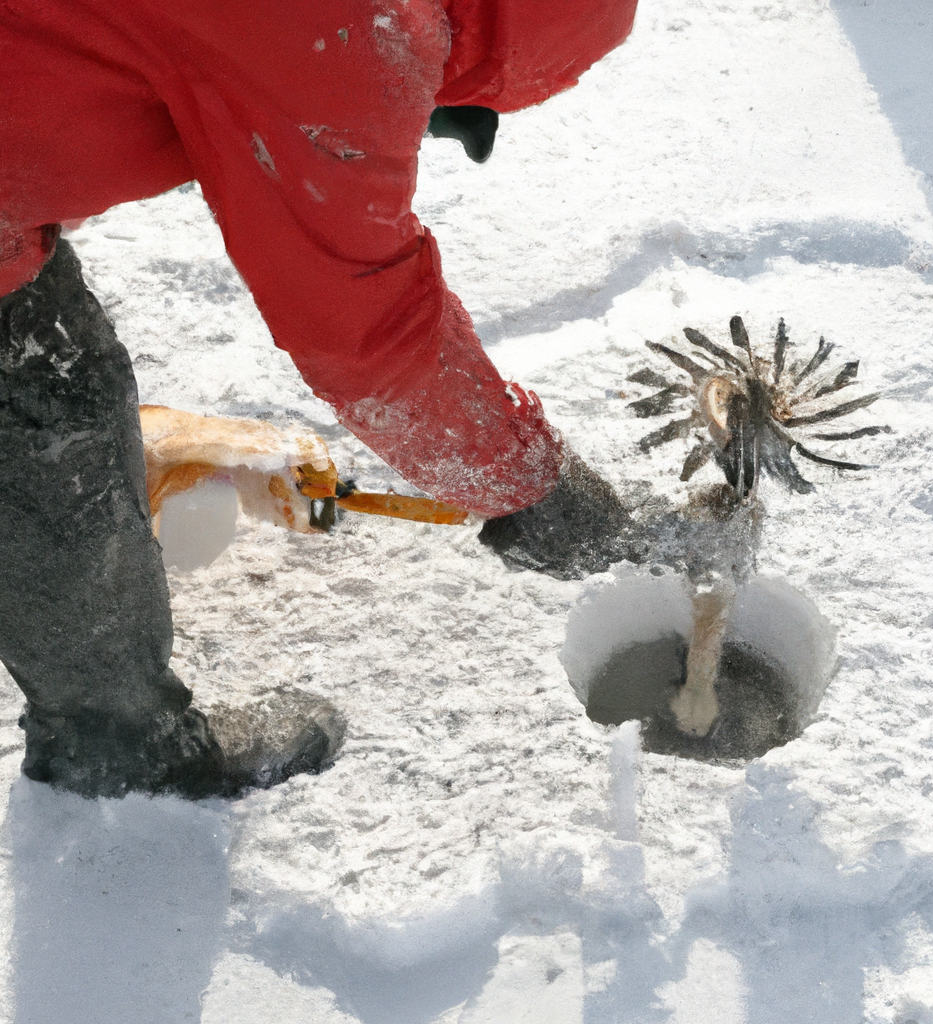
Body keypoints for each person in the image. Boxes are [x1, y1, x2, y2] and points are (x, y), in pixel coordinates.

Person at [0, 0, 638, 798]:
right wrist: (526, 485)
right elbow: (368, 335)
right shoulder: (356, 28)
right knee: (44, 409)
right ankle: (118, 748)